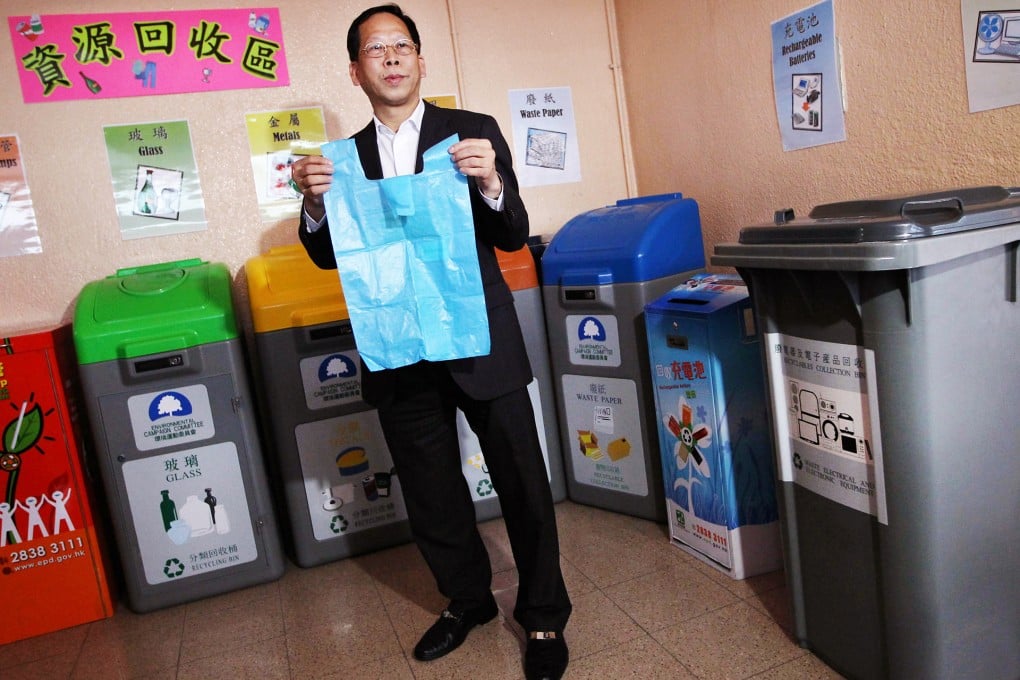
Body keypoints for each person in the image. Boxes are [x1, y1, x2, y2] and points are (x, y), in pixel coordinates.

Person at [292, 5, 571, 679]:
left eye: (401, 45)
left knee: (523, 481)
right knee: (431, 490)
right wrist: (315, 204)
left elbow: (512, 235)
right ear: (355, 72)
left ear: (421, 60)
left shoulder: (471, 132)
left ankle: (542, 616)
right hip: (398, 346)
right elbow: (329, 258)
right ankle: (468, 600)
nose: (390, 57)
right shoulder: (341, 160)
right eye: (374, 49)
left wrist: (492, 182)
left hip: (481, 339)